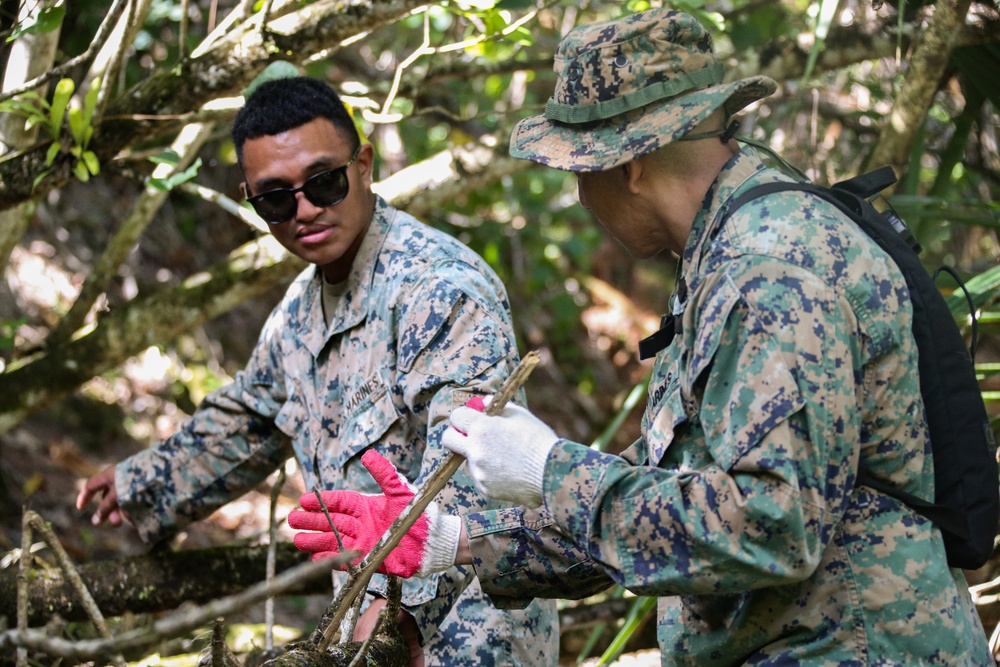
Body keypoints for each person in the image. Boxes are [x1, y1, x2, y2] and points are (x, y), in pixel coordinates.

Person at [287, 9, 995, 665]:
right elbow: (677, 497)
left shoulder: (770, 267)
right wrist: (461, 540)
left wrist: (550, 469)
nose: (577, 197)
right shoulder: (729, 249)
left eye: (576, 174)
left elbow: (770, 527)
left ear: (625, 166)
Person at [75, 75, 559, 667]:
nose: (304, 210)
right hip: (364, 626)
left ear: (363, 165)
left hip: (471, 633)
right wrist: (141, 482)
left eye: (323, 183)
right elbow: (248, 419)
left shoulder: (438, 289)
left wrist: (391, 619)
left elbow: (470, 469)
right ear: (250, 196)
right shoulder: (300, 313)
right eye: (276, 198)